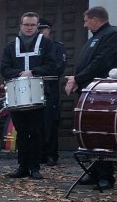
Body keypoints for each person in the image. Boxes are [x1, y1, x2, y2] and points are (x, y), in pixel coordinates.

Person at [65, 6, 117, 190]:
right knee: (90, 132)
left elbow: (101, 62)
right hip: (90, 90)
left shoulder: (112, 35)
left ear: (96, 19)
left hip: (102, 92)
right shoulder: (96, 36)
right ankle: (95, 171)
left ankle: (106, 176)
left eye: (86, 21)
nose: (84, 25)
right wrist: (77, 79)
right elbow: (88, 62)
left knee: (101, 132)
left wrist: (78, 78)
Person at [1, 12, 58, 180]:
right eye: (26, 24)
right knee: (21, 131)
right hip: (17, 96)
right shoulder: (10, 46)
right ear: (21, 25)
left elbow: (51, 66)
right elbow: (4, 69)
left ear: (37, 26)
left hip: (38, 94)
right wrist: (19, 73)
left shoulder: (46, 44)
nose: (29, 27)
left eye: (33, 25)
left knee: (36, 131)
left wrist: (33, 72)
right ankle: (22, 167)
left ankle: (35, 167)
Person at [37, 18, 66, 166]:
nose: (41, 33)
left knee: (50, 122)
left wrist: (37, 72)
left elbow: (58, 68)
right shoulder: (32, 48)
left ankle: (51, 154)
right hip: (35, 89)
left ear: (49, 31)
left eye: (43, 30)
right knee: (37, 123)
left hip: (50, 88)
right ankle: (39, 154)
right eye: (39, 30)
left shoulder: (57, 47)